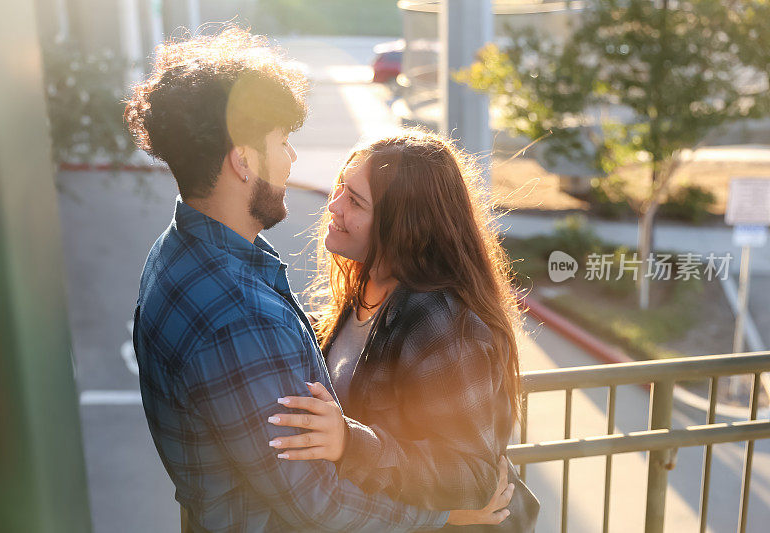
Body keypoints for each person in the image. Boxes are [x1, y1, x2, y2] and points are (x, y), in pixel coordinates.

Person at [126, 26, 512, 532]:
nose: (291, 159)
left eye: (355, 199)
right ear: (242, 161)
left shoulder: (173, 254)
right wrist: (449, 515)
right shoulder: (242, 317)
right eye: (282, 142)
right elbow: (321, 507)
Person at [268, 131, 532, 530]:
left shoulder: (441, 322)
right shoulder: (365, 288)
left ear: (403, 225)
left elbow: (473, 477)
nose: (334, 205)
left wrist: (349, 443)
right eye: (341, 187)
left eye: (355, 200)